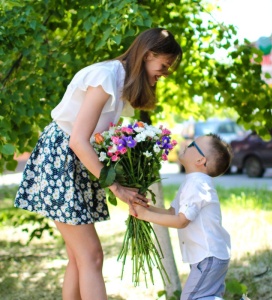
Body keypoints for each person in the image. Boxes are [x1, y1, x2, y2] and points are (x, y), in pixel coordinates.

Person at [14, 28, 182, 300]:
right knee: (91, 256)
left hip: (76, 161)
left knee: (79, 257)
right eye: (164, 65)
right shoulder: (105, 77)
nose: (164, 73)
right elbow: (78, 141)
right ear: (149, 54)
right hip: (62, 159)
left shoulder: (120, 83)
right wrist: (116, 188)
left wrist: (128, 183)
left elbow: (95, 142)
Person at [130, 133, 232, 300]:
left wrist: (145, 215)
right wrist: (145, 208)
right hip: (209, 256)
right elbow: (172, 213)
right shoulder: (192, 182)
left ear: (200, 161)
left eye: (193, 145)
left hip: (208, 256)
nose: (187, 144)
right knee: (204, 296)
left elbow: (181, 221)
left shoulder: (197, 184)